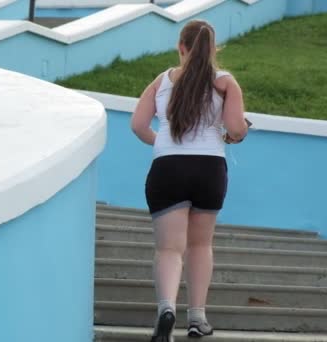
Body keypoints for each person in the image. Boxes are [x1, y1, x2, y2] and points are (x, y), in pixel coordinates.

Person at [130, 19, 249, 341]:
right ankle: (197, 318)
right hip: (209, 169)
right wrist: (238, 133)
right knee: (200, 244)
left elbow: (138, 124)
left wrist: (163, 142)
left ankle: (166, 310)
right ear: (213, 49)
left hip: (167, 167)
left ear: (180, 47)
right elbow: (236, 129)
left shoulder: (162, 80)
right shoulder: (225, 82)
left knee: (169, 249)